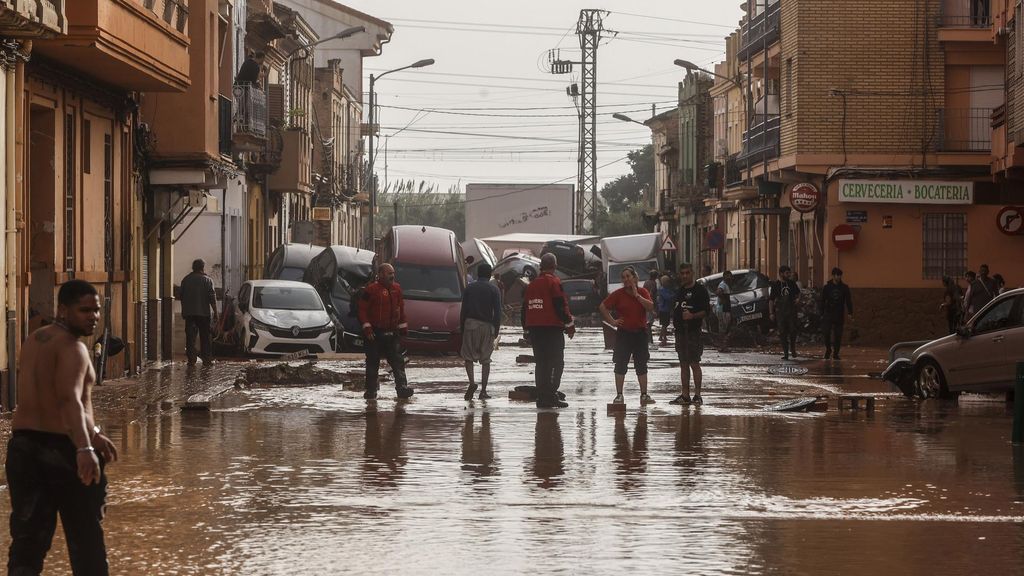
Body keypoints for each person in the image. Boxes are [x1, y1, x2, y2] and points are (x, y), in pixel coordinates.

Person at [7, 279, 119, 575]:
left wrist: (95, 435)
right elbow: (69, 400)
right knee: (86, 542)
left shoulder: (36, 338)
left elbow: (49, 396)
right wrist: (83, 447)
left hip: (22, 449)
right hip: (61, 450)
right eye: (84, 310)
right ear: (63, 309)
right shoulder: (75, 349)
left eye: (96, 310)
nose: (93, 317)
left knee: (27, 542)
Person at [522, 253, 575, 409]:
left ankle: (542, 397)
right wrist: (570, 325)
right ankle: (550, 396)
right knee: (556, 363)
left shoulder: (531, 285)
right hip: (552, 329)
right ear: (555, 266)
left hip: (535, 330)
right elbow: (560, 305)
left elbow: (524, 309)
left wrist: (526, 329)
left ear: (540, 266)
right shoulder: (554, 282)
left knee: (541, 363)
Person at [357, 263, 414, 400]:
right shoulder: (371, 290)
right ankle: (371, 392)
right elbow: (362, 310)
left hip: (392, 332)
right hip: (375, 333)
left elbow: (401, 309)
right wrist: (367, 328)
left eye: (393, 273)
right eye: (389, 273)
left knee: (398, 362)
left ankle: (402, 389)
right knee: (372, 362)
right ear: (381, 274)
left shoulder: (397, 289)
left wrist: (403, 327)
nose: (392, 276)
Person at [600, 267, 656, 406]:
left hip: (640, 334)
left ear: (635, 278)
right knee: (620, 364)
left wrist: (637, 295)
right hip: (624, 334)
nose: (626, 279)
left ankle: (644, 394)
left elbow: (650, 307)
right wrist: (612, 321)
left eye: (628, 276)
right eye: (623, 277)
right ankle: (619, 395)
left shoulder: (642, 292)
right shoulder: (618, 294)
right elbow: (602, 307)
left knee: (641, 364)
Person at [460, 263, 502, 401]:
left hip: (470, 324)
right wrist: (496, 329)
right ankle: (483, 391)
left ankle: (472, 383)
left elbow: (464, 309)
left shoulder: (469, 288)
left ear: (478, 274)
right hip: (487, 326)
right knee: (485, 360)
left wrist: (462, 327)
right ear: (490, 275)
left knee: (468, 357)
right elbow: (497, 312)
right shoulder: (494, 289)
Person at [670, 263, 710, 406]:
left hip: (693, 332)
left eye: (687, 272)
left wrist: (692, 316)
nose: (685, 275)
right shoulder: (679, 291)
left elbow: (706, 311)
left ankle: (697, 395)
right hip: (680, 333)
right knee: (683, 364)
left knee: (694, 363)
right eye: (682, 273)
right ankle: (685, 395)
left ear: (692, 273)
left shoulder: (700, 290)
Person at [180, 258, 218, 365]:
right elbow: (212, 298)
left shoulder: (185, 280)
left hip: (189, 314)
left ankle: (191, 359)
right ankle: (206, 359)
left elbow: (182, 297)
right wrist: (216, 313)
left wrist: (184, 311)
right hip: (204, 314)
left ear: (193, 268)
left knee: (190, 337)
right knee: (205, 337)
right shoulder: (208, 280)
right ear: (202, 268)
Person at [820, 267, 854, 360]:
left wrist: (850, 312)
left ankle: (836, 353)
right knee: (826, 333)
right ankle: (828, 349)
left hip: (839, 313)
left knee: (838, 335)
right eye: (837, 275)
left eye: (840, 275)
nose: (838, 277)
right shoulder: (827, 287)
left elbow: (848, 301)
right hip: (828, 313)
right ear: (833, 275)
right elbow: (822, 300)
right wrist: (821, 312)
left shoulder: (844, 288)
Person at [769, 265, 800, 360]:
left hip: (791, 311)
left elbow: (798, 293)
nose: (789, 275)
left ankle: (793, 349)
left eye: (789, 273)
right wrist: (771, 313)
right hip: (780, 312)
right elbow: (771, 300)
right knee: (782, 333)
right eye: (787, 273)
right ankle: (786, 353)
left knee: (793, 330)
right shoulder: (776, 285)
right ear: (781, 274)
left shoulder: (791, 283)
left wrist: (798, 299)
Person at [716, 270, 734, 351]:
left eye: (730, 276)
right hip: (723, 309)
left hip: (725, 309)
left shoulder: (726, 285)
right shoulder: (723, 284)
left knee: (724, 328)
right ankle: (722, 346)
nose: (729, 278)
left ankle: (723, 346)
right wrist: (722, 299)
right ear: (724, 277)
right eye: (727, 276)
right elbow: (718, 292)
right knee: (723, 329)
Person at [656, 274, 676, 346]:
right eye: (667, 281)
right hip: (664, 309)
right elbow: (667, 297)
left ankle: (661, 337)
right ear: (664, 282)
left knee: (665, 324)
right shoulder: (662, 290)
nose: (668, 283)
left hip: (666, 309)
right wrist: (674, 295)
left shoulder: (666, 289)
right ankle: (663, 338)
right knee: (664, 324)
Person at [642, 269, 659, 344]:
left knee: (647, 321)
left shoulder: (646, 282)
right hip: (650, 303)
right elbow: (651, 293)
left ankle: (648, 338)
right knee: (649, 322)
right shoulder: (653, 283)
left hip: (645, 303)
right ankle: (648, 339)